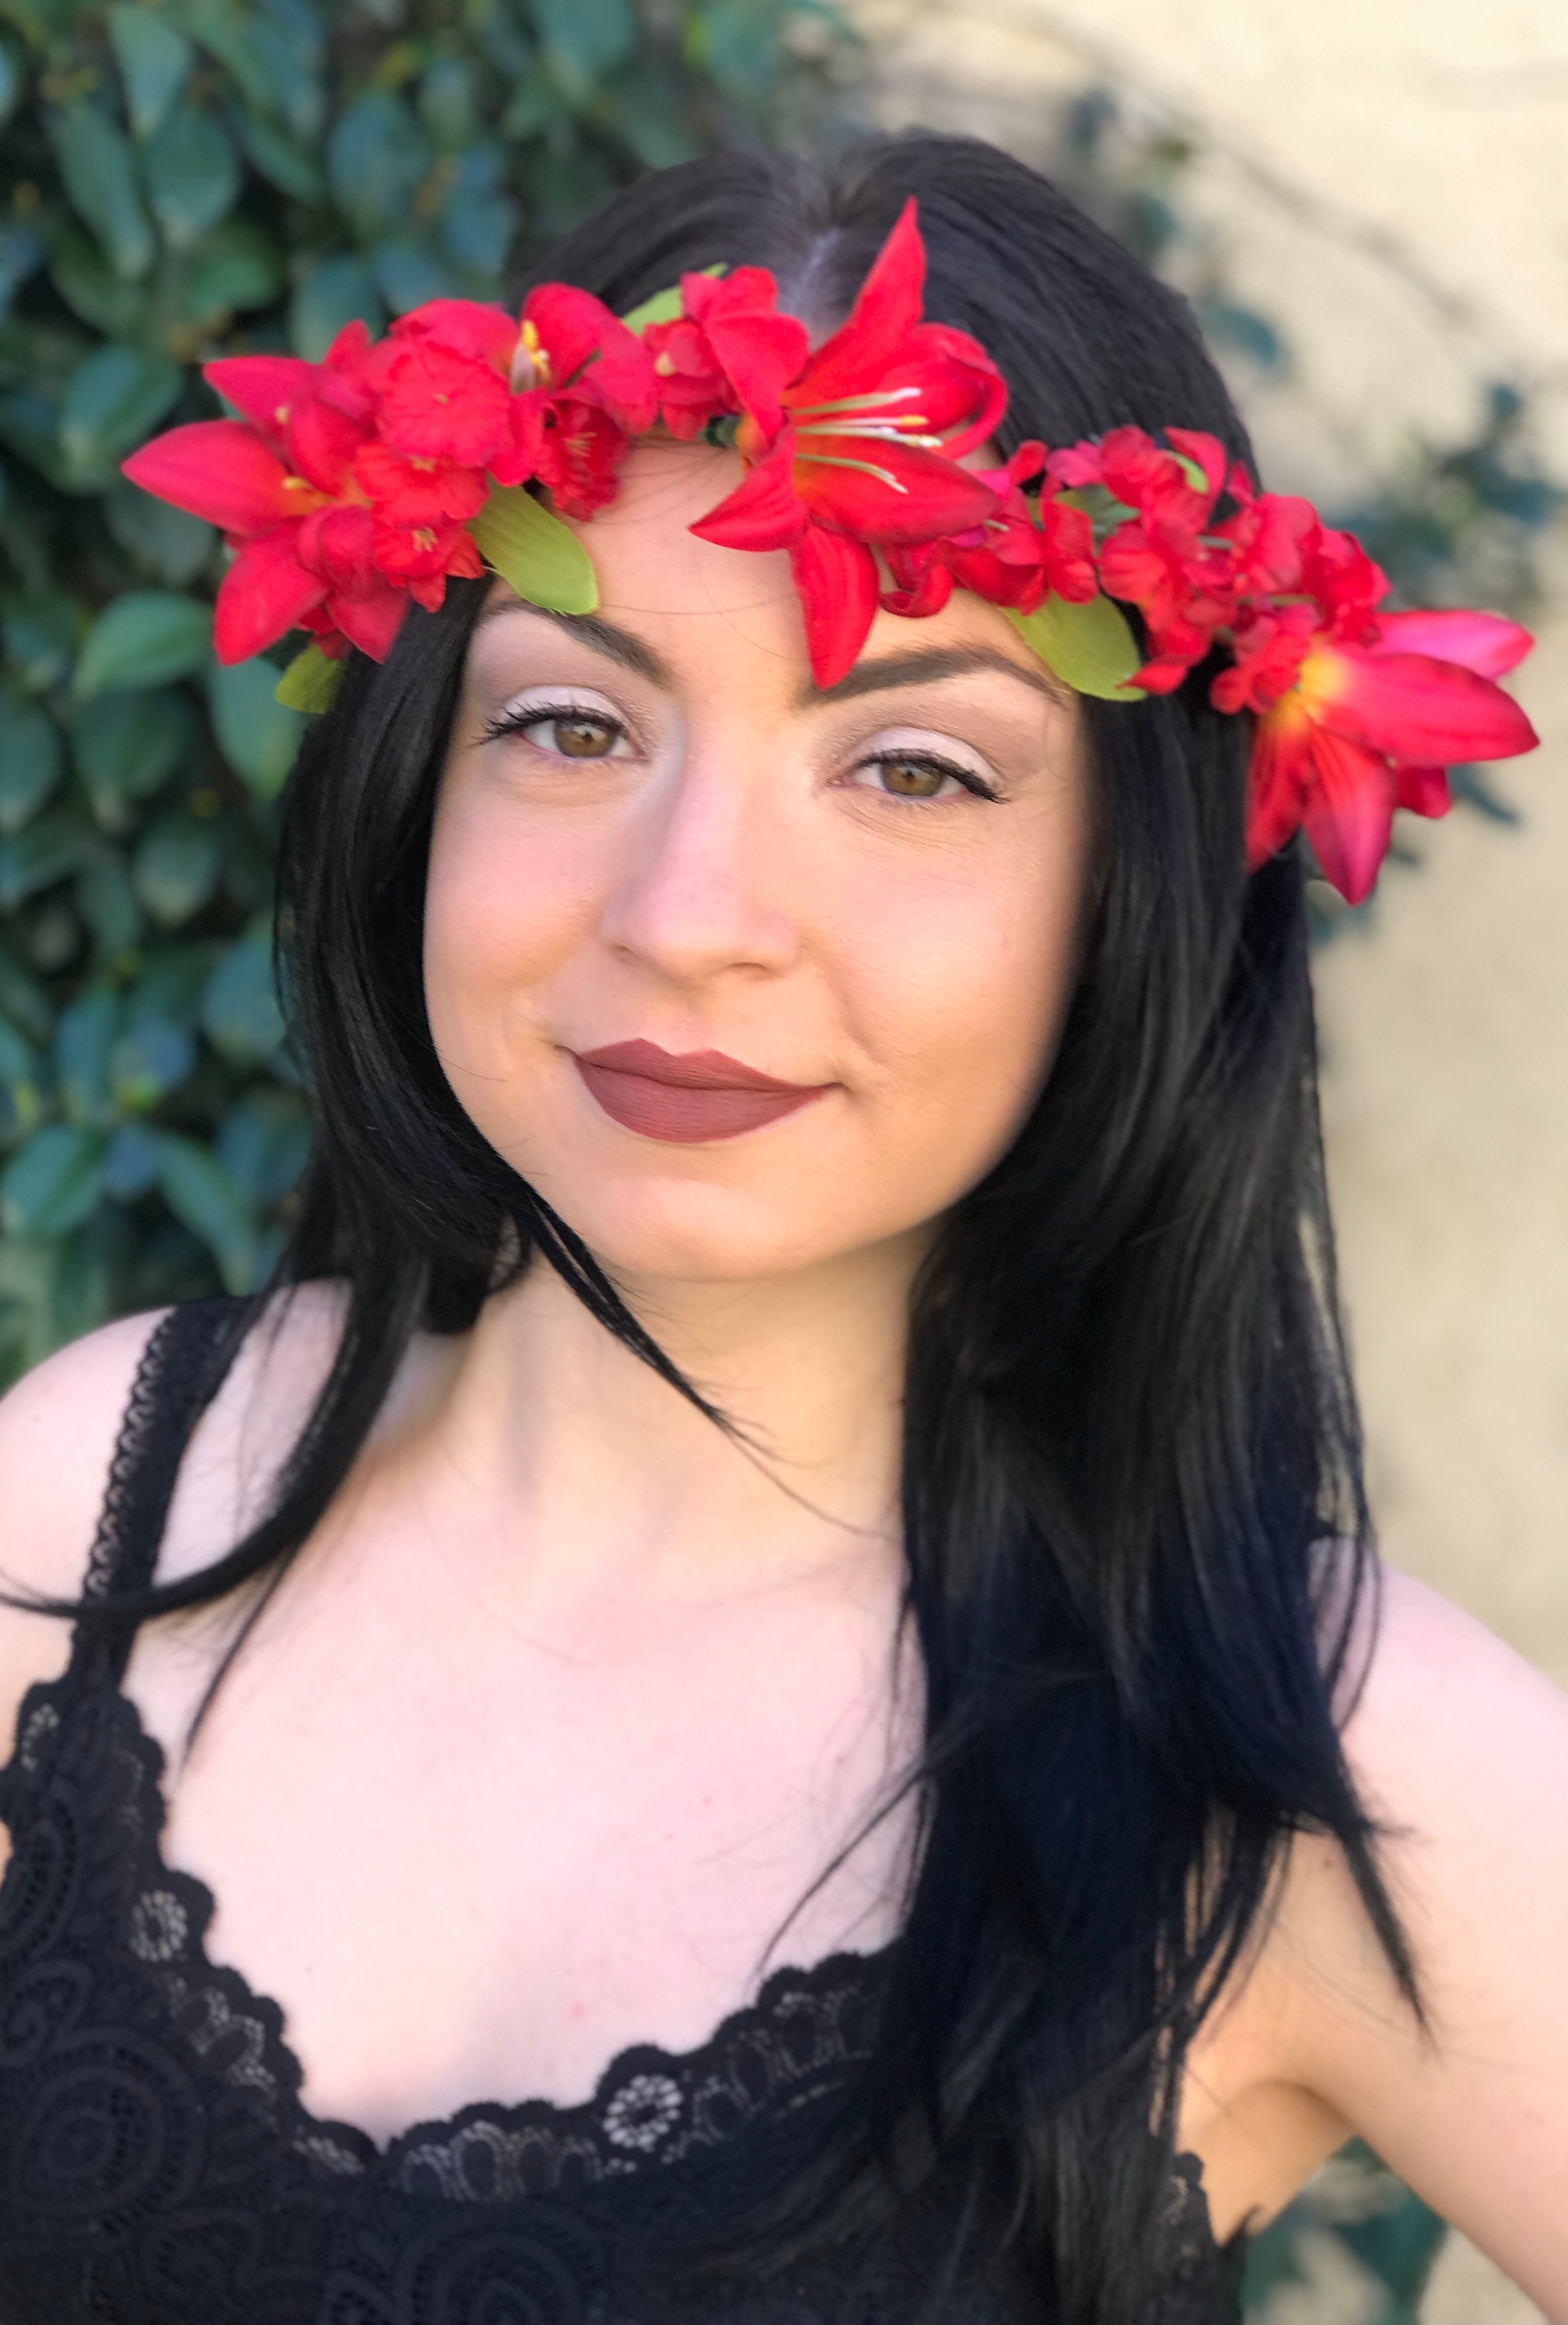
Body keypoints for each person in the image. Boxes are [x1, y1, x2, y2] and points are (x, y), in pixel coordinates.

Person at [0, 133, 1563, 2325]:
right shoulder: (88, 1509)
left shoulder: (1301, 1763)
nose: (689, 919)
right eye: (566, 726)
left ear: (1138, 890)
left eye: (917, 769)